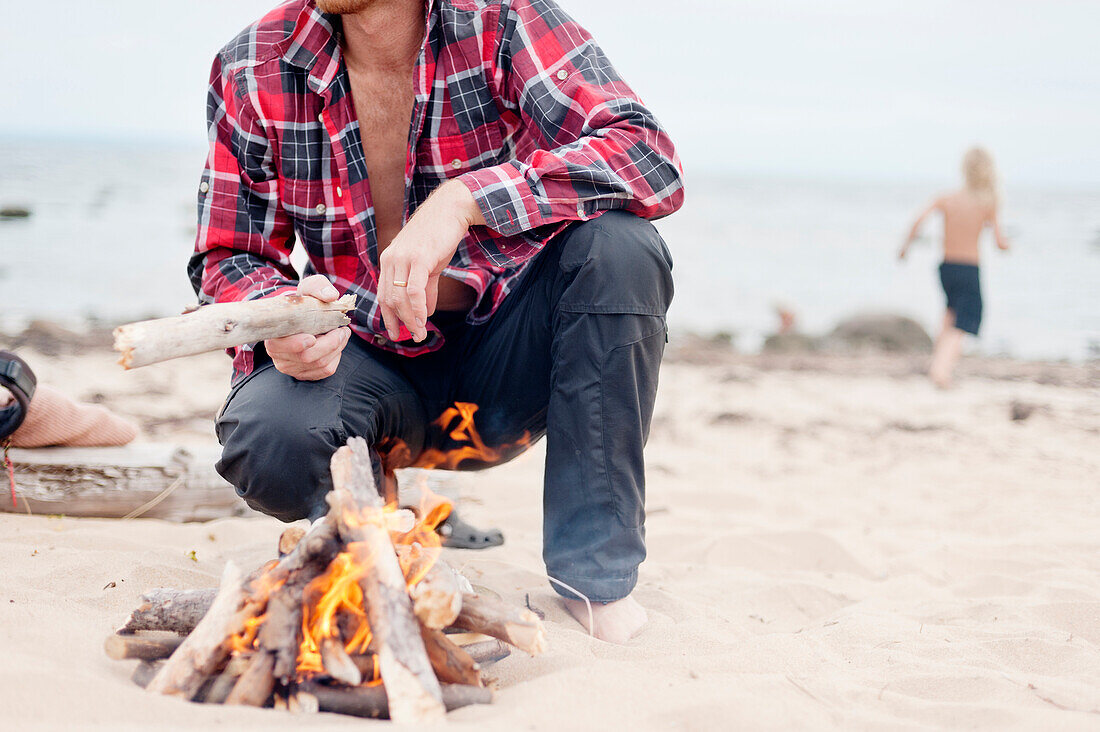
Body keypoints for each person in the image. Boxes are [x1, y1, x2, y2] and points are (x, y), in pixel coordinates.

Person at [189, 0, 684, 643]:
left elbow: (646, 156)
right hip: (362, 355)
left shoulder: (501, 20)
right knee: (268, 440)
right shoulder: (252, 63)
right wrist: (277, 317)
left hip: (506, 362)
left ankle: (594, 582)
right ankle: (379, 506)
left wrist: (465, 201)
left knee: (621, 248)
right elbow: (228, 254)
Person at [899, 147, 1009, 388]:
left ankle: (938, 364)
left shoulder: (947, 198)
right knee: (964, 321)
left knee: (949, 314)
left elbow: (918, 220)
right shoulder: (987, 202)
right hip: (969, 268)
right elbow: (1000, 243)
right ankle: (940, 371)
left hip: (946, 267)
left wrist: (905, 247)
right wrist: (1008, 245)